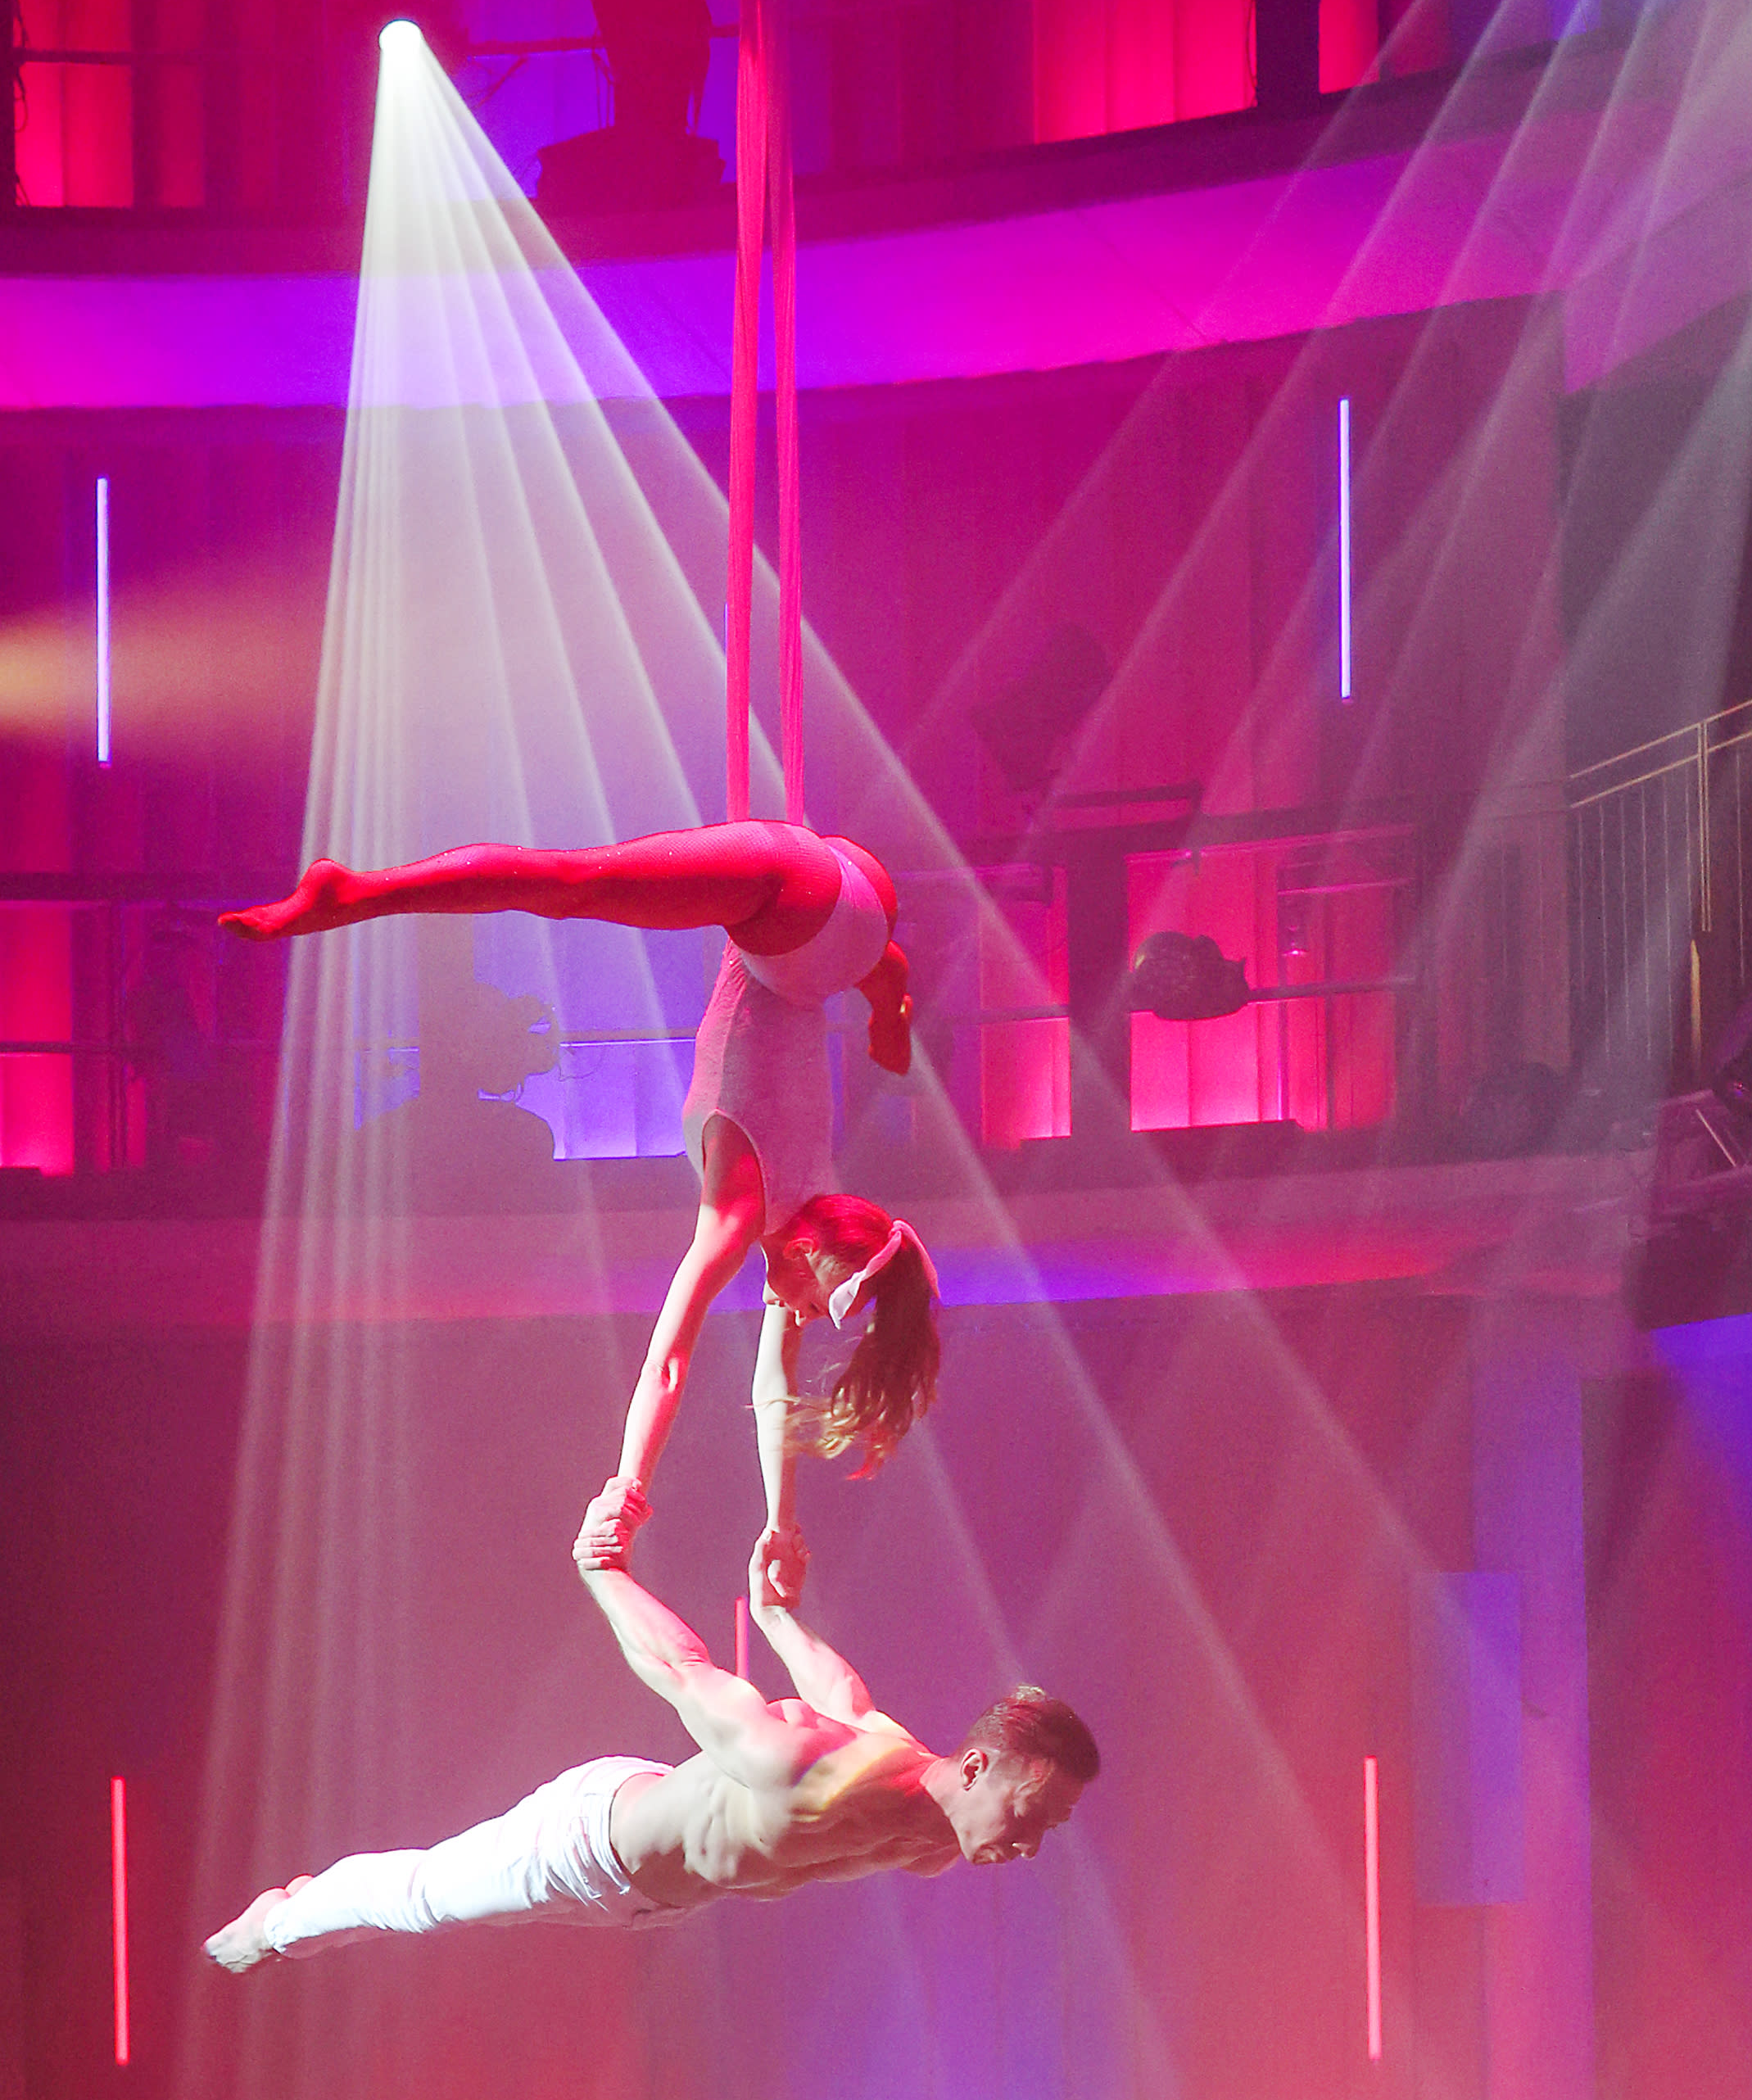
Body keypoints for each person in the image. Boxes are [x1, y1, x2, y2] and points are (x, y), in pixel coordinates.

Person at [225, 819, 937, 1599]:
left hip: (860, 925)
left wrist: (781, 1523)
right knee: (570, 883)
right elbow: (669, 1363)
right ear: (805, 1256)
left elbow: (774, 1386)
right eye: (813, 1304)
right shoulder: (742, 1216)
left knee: (866, 971)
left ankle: (888, 1010)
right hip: (797, 906)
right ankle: (355, 893)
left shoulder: (817, 1202)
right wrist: (625, 1493)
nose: (800, 1316)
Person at [204, 1496, 1097, 1971]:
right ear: (976, 1767)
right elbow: (683, 1671)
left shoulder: (932, 1834)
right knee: (423, 1900)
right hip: (589, 1844)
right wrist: (604, 1570)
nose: (1029, 1844)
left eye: (1047, 1829)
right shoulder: (810, 1769)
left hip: (650, 1901)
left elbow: (844, 1693)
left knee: (409, 1912)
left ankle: (301, 1920)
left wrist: (779, 1616)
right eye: (1031, 1814)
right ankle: (277, 1923)